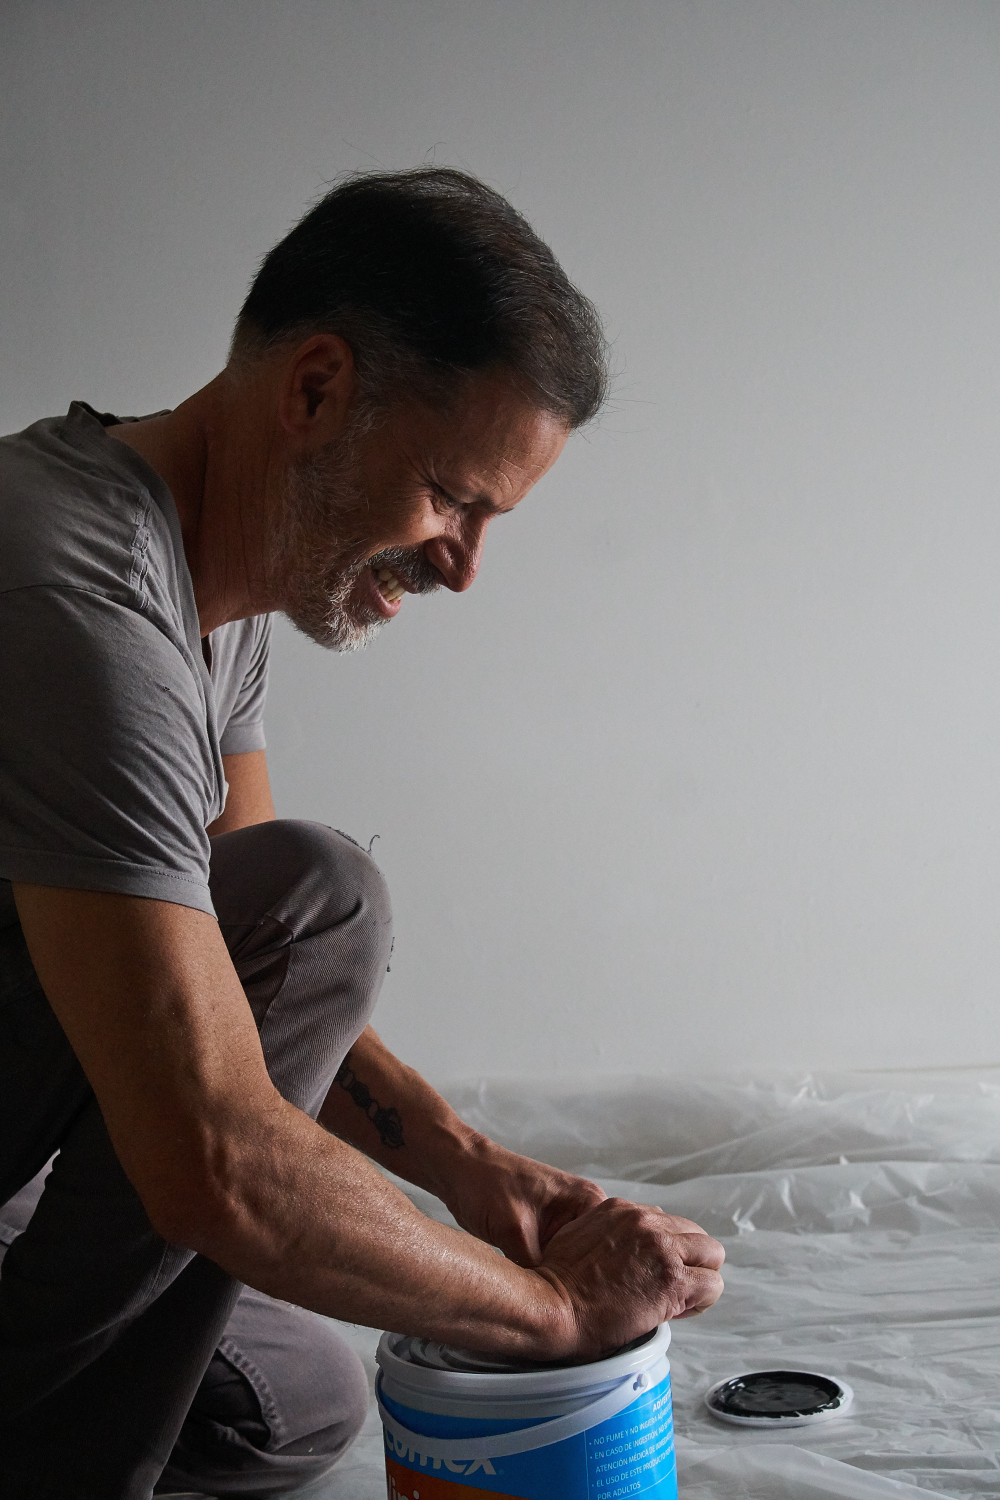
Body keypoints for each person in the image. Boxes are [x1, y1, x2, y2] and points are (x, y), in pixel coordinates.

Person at [0, 168, 725, 1500]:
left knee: (297, 1402)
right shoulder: (74, 600)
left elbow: (235, 992)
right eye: (453, 497)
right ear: (317, 389)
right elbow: (215, 1150)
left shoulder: (214, 599)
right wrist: (554, 1314)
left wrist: (467, 1168)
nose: (464, 565)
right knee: (324, 896)